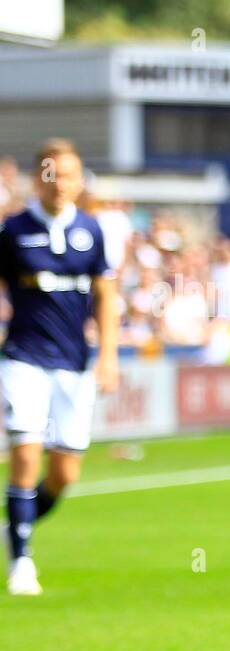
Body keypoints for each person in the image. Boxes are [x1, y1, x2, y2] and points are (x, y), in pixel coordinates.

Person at [0, 139, 119, 595]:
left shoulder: (92, 230)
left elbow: (106, 297)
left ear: (78, 179)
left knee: (64, 474)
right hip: (23, 358)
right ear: (38, 179)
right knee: (26, 452)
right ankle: (22, 563)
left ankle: (14, 531)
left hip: (74, 364)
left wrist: (108, 355)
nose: (60, 183)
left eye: (69, 174)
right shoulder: (13, 230)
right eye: (52, 174)